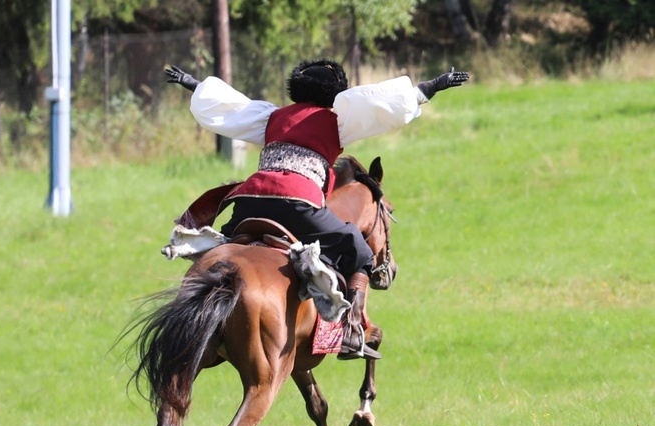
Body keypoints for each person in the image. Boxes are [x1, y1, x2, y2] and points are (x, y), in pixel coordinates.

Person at [165, 59, 469, 360]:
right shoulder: (336, 120)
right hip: (299, 204)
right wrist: (430, 87)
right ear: (335, 91)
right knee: (359, 250)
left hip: (249, 201)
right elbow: (380, 107)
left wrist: (193, 84)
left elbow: (231, 107)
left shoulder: (272, 117)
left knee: (227, 250)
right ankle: (351, 331)